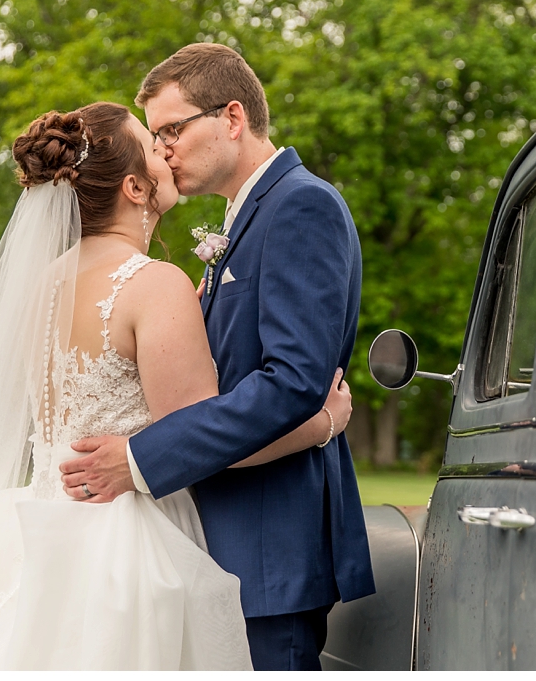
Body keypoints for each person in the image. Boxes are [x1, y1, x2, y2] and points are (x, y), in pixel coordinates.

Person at [0, 102, 353, 670]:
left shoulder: (42, 290)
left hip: (48, 533)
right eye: (154, 146)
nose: (167, 151)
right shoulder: (154, 284)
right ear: (134, 187)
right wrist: (323, 423)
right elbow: (206, 443)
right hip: (126, 544)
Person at [59, 44, 376, 670]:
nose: (163, 150)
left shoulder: (300, 205)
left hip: (266, 554)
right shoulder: (243, 220)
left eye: (172, 129)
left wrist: (142, 458)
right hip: (208, 547)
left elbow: (292, 383)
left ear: (232, 117)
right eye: (154, 136)